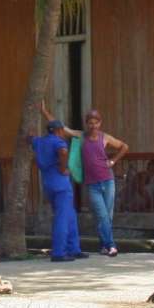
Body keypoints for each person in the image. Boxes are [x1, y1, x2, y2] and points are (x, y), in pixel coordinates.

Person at [42, 104, 128, 257]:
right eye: (90, 122)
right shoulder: (81, 136)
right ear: (86, 124)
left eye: (96, 122)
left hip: (108, 180)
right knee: (101, 215)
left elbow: (124, 147)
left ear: (100, 123)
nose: (93, 125)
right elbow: (62, 127)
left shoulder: (105, 137)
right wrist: (44, 111)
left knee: (107, 216)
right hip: (93, 184)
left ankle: (103, 246)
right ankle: (112, 245)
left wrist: (113, 161)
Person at [30, 119, 84, 263]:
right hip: (60, 182)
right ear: (59, 131)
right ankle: (59, 252)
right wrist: (63, 168)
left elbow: (30, 138)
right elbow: (63, 151)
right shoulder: (58, 142)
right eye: (63, 131)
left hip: (48, 182)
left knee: (70, 215)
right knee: (62, 218)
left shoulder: (39, 142)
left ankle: (74, 249)